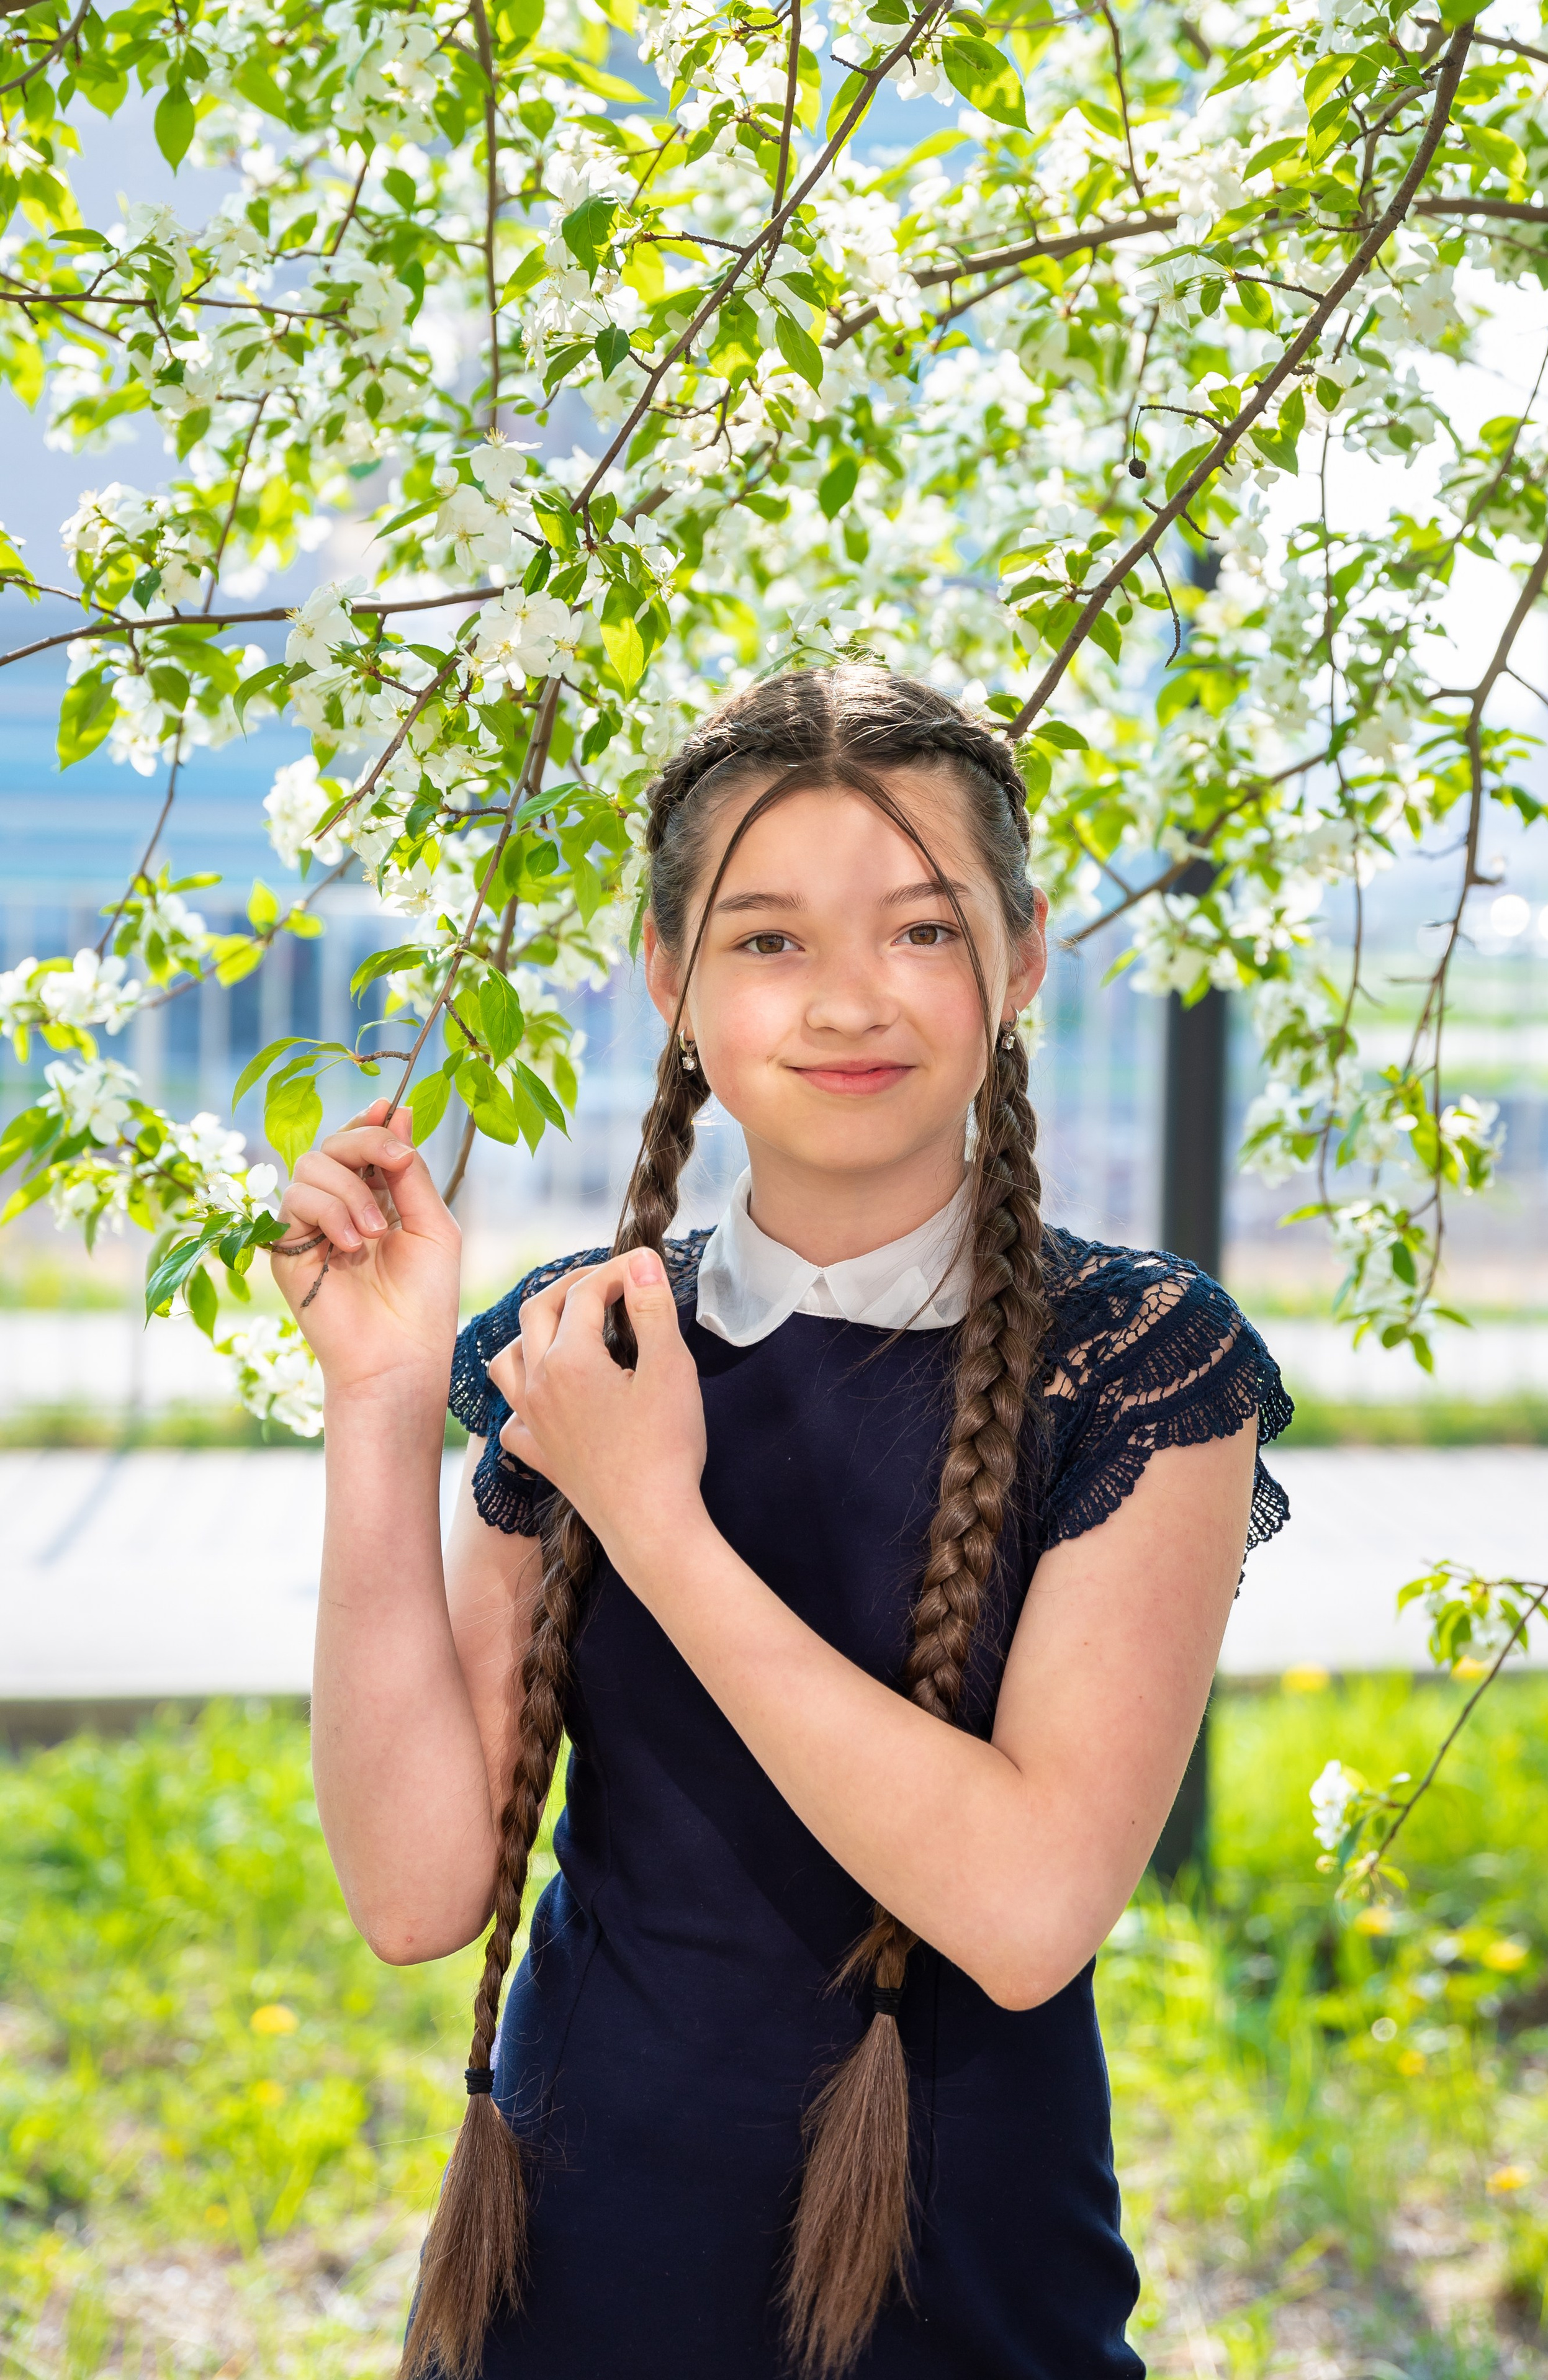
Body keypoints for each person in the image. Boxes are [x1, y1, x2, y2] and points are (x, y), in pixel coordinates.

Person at [275, 665, 1292, 2380]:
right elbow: (414, 1889)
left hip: (968, 2302)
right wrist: (377, 1404)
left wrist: (655, 1518)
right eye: (767, 940)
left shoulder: (1135, 1358)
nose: (844, 1000)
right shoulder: (577, 1342)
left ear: (1024, 957)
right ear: (669, 977)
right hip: (569, 2280)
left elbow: (1032, 1906)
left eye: (919, 930)